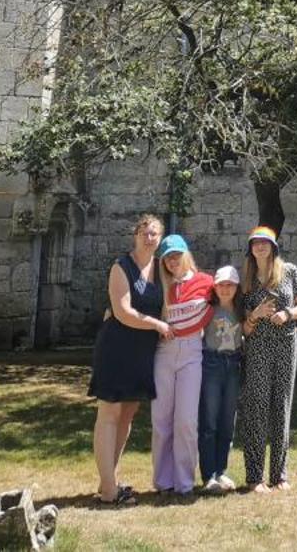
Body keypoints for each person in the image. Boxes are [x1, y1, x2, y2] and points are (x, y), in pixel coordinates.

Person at [89, 214, 170, 506]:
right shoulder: (121, 267)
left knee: (127, 414)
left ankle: (107, 479)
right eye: (145, 233)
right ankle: (110, 492)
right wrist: (158, 325)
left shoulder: (161, 268)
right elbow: (122, 312)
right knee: (109, 414)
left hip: (142, 351)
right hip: (116, 346)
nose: (149, 238)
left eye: (155, 234)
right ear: (135, 235)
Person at [237, 225, 297, 493]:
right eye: (255, 243)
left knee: (282, 407)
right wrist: (255, 313)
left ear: (273, 246)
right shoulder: (246, 279)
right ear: (250, 249)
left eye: (265, 243)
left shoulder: (289, 271)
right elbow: (243, 325)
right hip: (258, 348)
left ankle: (280, 475)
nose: (260, 247)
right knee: (256, 409)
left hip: (286, 345)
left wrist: (287, 314)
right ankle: (255, 477)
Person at [149, 234, 216, 496]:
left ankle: (184, 482)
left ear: (186, 254)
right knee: (161, 418)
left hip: (191, 350)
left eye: (177, 255)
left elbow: (226, 301)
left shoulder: (206, 282)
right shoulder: (159, 285)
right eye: (167, 258)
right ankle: (163, 482)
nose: (173, 261)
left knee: (186, 420)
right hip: (163, 352)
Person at [197, 264, 244, 491]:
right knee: (209, 420)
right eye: (221, 285)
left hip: (233, 364)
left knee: (227, 421)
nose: (225, 289)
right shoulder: (208, 310)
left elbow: (247, 330)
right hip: (212, 364)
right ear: (214, 287)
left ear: (237, 287)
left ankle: (221, 470)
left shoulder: (241, 309)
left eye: (230, 285)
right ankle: (208, 475)